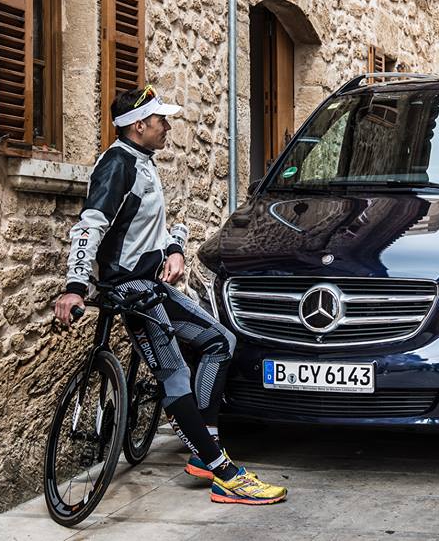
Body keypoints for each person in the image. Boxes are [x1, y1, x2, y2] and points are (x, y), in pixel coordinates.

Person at [54, 86, 287, 505]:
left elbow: (148, 229)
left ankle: (204, 445)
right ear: (139, 125)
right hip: (131, 290)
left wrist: (175, 247)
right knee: (175, 374)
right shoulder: (118, 165)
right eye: (161, 119)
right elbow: (90, 225)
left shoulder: (142, 162)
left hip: (152, 284)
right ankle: (225, 474)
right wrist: (75, 286)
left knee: (220, 341)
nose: (167, 126)